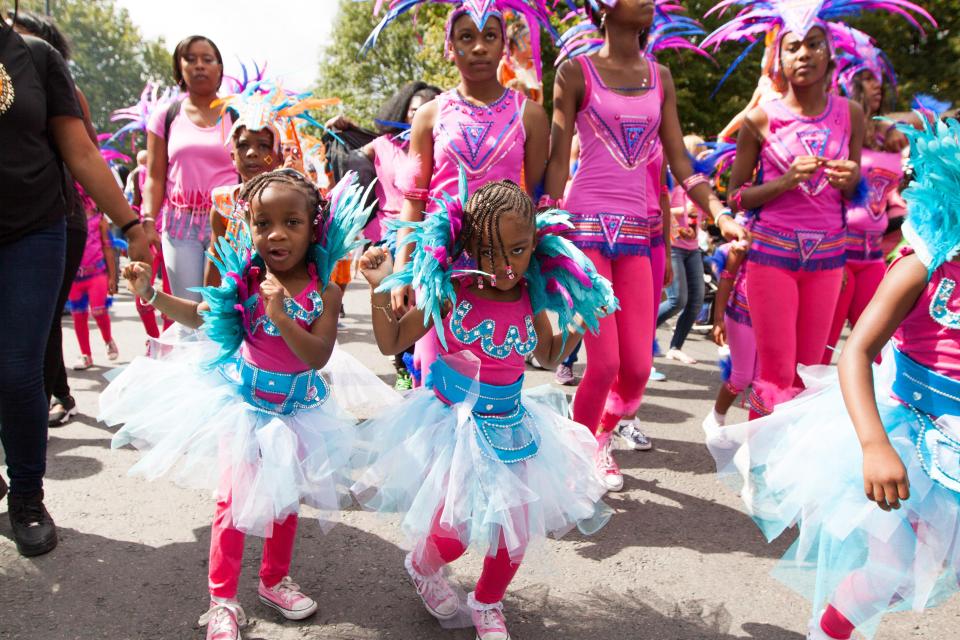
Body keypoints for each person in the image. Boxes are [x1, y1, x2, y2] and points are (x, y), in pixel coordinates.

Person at [706, 116, 960, 640]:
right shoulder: (923, 265)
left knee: (926, 569)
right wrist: (874, 445)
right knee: (889, 567)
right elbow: (856, 353)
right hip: (908, 431)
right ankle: (829, 629)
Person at [101, 169, 372, 640]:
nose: (276, 234)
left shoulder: (325, 289)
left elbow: (318, 353)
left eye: (292, 222)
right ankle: (222, 598)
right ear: (247, 226)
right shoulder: (243, 281)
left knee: (286, 499)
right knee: (231, 504)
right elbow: (197, 315)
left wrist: (282, 317)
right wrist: (149, 294)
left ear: (314, 228)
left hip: (298, 413)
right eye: (262, 222)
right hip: (247, 409)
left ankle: (272, 580)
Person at [354, 175, 614, 640]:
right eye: (489, 251)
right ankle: (422, 565)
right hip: (455, 426)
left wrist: (582, 317)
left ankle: (488, 603)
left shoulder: (530, 294)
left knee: (513, 530)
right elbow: (391, 340)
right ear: (469, 244)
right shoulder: (452, 290)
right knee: (453, 534)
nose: (504, 265)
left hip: (514, 426)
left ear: (535, 243)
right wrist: (379, 288)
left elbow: (549, 356)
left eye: (517, 250)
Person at [543, 0, 747, 491]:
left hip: (638, 235)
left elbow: (679, 160)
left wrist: (718, 212)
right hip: (586, 229)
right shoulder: (574, 73)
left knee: (636, 368)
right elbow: (556, 157)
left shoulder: (662, 77)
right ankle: (582, 452)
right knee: (606, 362)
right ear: (605, 8)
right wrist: (544, 221)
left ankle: (603, 434)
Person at [707, 0, 932, 420]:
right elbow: (735, 195)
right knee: (774, 375)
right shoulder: (759, 119)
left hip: (829, 259)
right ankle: (760, 471)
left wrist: (852, 182)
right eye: (793, 47)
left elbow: (851, 199)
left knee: (809, 375)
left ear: (830, 54)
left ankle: (792, 477)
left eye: (813, 44)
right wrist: (785, 181)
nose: (804, 54)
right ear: (779, 57)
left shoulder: (849, 114)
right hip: (771, 257)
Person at [0, 5, 153, 557]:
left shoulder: (34, 59)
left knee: (18, 369)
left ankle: (27, 498)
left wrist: (130, 223)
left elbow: (82, 150)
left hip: (32, 230)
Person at [362, 0, 552, 386]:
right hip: (441, 271)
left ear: (504, 46)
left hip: (504, 272)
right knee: (437, 383)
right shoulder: (430, 114)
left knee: (497, 380)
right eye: (466, 37)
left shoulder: (529, 114)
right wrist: (402, 273)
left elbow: (537, 202)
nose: (479, 47)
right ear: (450, 47)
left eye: (489, 36)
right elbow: (415, 199)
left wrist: (543, 271)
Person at [8, 10, 100, 426]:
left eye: (21, 35)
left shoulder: (52, 78)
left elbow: (85, 152)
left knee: (38, 325)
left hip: (53, 217)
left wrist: (130, 223)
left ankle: (54, 395)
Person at [822, 25, 908, 364]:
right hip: (839, 250)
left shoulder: (890, 135)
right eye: (869, 79)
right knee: (824, 345)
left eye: (879, 81)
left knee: (877, 349)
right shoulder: (841, 130)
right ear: (853, 83)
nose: (878, 86)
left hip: (873, 255)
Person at [142, 35, 237, 302]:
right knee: (189, 315)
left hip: (230, 224)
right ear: (179, 68)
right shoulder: (166, 115)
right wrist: (147, 218)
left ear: (219, 68)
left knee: (225, 314)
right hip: (180, 226)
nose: (199, 66)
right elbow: (154, 177)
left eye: (207, 60)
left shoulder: (239, 115)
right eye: (190, 59)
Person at [656, 135, 710, 366]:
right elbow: (665, 206)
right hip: (675, 246)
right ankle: (640, 334)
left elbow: (700, 216)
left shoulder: (700, 182)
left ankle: (675, 346)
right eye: (700, 150)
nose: (704, 154)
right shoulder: (676, 177)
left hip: (693, 247)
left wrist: (703, 222)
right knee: (677, 299)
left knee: (696, 300)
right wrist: (681, 215)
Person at [702, 237, 755, 431]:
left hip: (774, 318)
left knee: (764, 380)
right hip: (742, 314)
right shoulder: (742, 241)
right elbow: (726, 277)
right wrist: (718, 319)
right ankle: (716, 417)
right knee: (742, 377)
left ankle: (758, 434)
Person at [67, 201, 118, 369]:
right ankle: (85, 355)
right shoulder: (67, 218)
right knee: (78, 315)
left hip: (97, 273)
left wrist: (112, 276)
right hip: (75, 277)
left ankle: (108, 340)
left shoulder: (100, 220)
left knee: (98, 310)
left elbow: (108, 249)